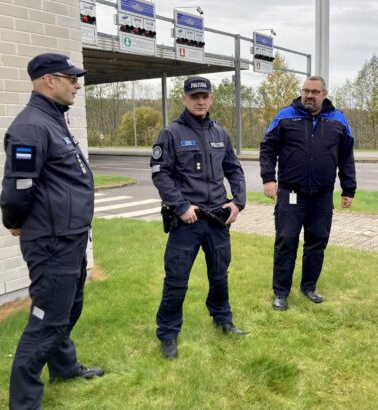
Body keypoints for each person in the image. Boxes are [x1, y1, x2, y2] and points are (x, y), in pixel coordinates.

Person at [0, 53, 104, 409]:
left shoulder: (53, 120)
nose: (77, 84)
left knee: (69, 308)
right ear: (48, 80)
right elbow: (18, 187)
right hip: (51, 242)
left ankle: (65, 367)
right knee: (48, 319)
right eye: (71, 78)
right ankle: (24, 402)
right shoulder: (31, 126)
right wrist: (14, 221)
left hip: (70, 236)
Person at [150, 76, 247, 360]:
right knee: (177, 279)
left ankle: (223, 319)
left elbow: (234, 169)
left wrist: (238, 202)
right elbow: (161, 174)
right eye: (195, 97)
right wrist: (180, 206)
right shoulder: (171, 134)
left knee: (219, 275)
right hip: (187, 222)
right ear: (184, 99)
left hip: (218, 219)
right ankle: (168, 334)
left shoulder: (220, 133)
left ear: (211, 98)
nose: (201, 101)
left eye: (205, 96)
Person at [259, 76, 356, 311]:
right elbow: (267, 148)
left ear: (324, 93)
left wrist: (348, 188)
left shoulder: (338, 120)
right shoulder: (285, 116)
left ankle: (309, 286)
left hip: (322, 196)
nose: (309, 96)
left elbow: (346, 157)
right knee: (286, 241)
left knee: (317, 242)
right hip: (291, 192)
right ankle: (281, 292)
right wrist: (269, 178)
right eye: (305, 91)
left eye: (314, 92)